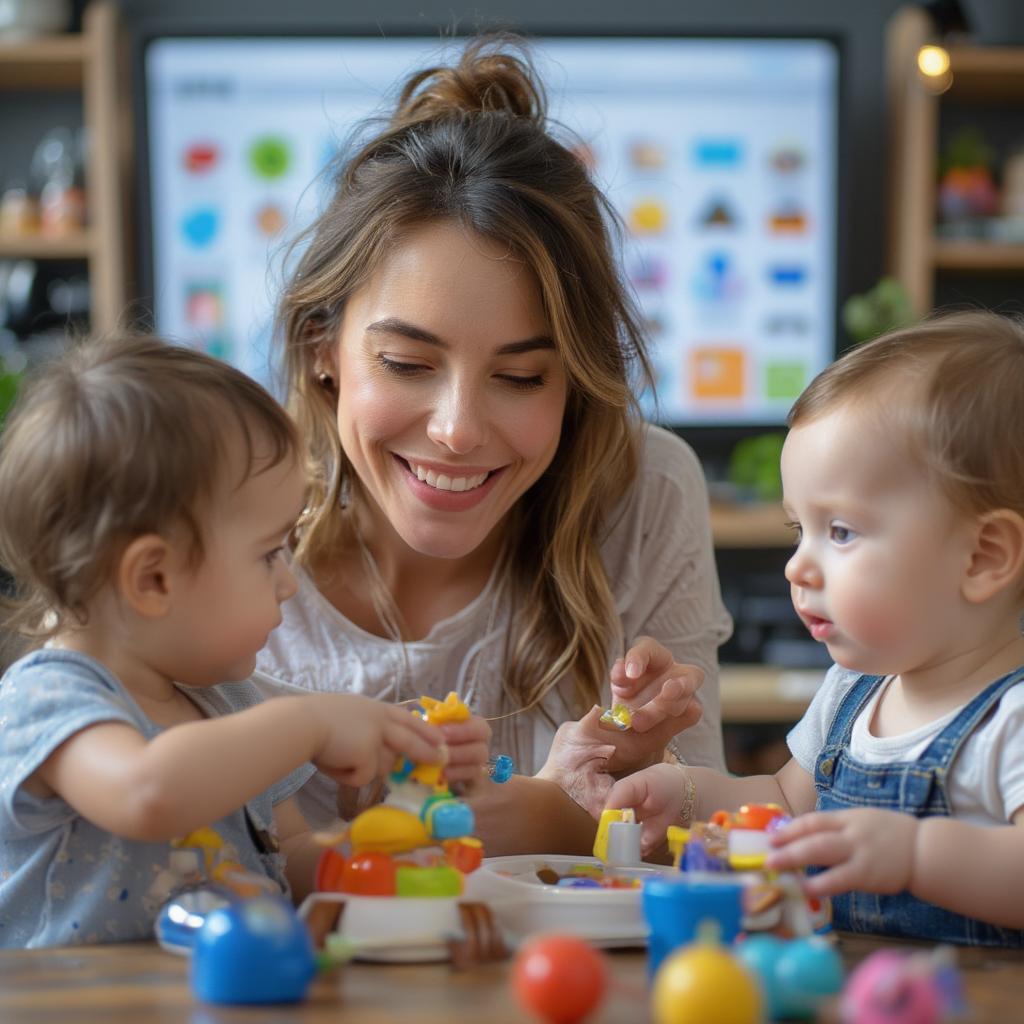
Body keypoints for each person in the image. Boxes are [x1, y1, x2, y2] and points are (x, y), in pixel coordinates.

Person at [256, 36, 733, 851]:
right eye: (407, 363)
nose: (458, 429)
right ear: (320, 351)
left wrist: (650, 799)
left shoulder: (643, 492)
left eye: (521, 379)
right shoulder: (211, 513)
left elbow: (708, 841)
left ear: (575, 381)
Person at [0, 335, 449, 948]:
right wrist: (308, 723)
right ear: (152, 578)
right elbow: (146, 793)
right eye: (269, 553)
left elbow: (284, 857)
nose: (290, 583)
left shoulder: (225, 701)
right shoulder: (50, 697)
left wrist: (378, 841)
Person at [601, 310, 1024, 945]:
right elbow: (783, 799)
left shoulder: (1009, 722)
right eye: (798, 530)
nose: (798, 566)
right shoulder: (851, 691)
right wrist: (686, 793)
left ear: (983, 556)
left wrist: (916, 855)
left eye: (842, 531)